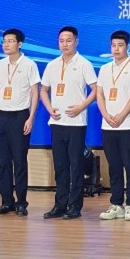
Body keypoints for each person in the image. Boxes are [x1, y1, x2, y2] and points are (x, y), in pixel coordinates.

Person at [39, 26, 97, 220]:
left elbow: (96, 90)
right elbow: (43, 90)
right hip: (57, 122)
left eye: (69, 40)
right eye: (61, 40)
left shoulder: (84, 64)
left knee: (76, 165)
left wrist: (81, 106)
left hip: (76, 122)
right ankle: (60, 204)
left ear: (76, 41)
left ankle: (75, 206)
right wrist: (49, 108)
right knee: (60, 165)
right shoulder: (52, 65)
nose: (65, 44)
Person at [0, 28, 39, 216]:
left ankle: (21, 203)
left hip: (19, 116)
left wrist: (30, 118)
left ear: (20, 43)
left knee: (19, 161)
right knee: (2, 162)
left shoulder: (29, 64)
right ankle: (6, 201)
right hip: (0, 116)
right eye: (4, 41)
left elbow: (34, 93)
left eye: (10, 41)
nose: (6, 44)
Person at [95, 29, 130, 222]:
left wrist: (122, 115)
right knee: (114, 166)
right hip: (108, 125)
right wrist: (106, 115)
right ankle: (116, 204)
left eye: (120, 45)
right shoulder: (105, 68)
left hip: (128, 125)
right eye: (113, 45)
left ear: (128, 47)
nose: (116, 49)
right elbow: (99, 94)